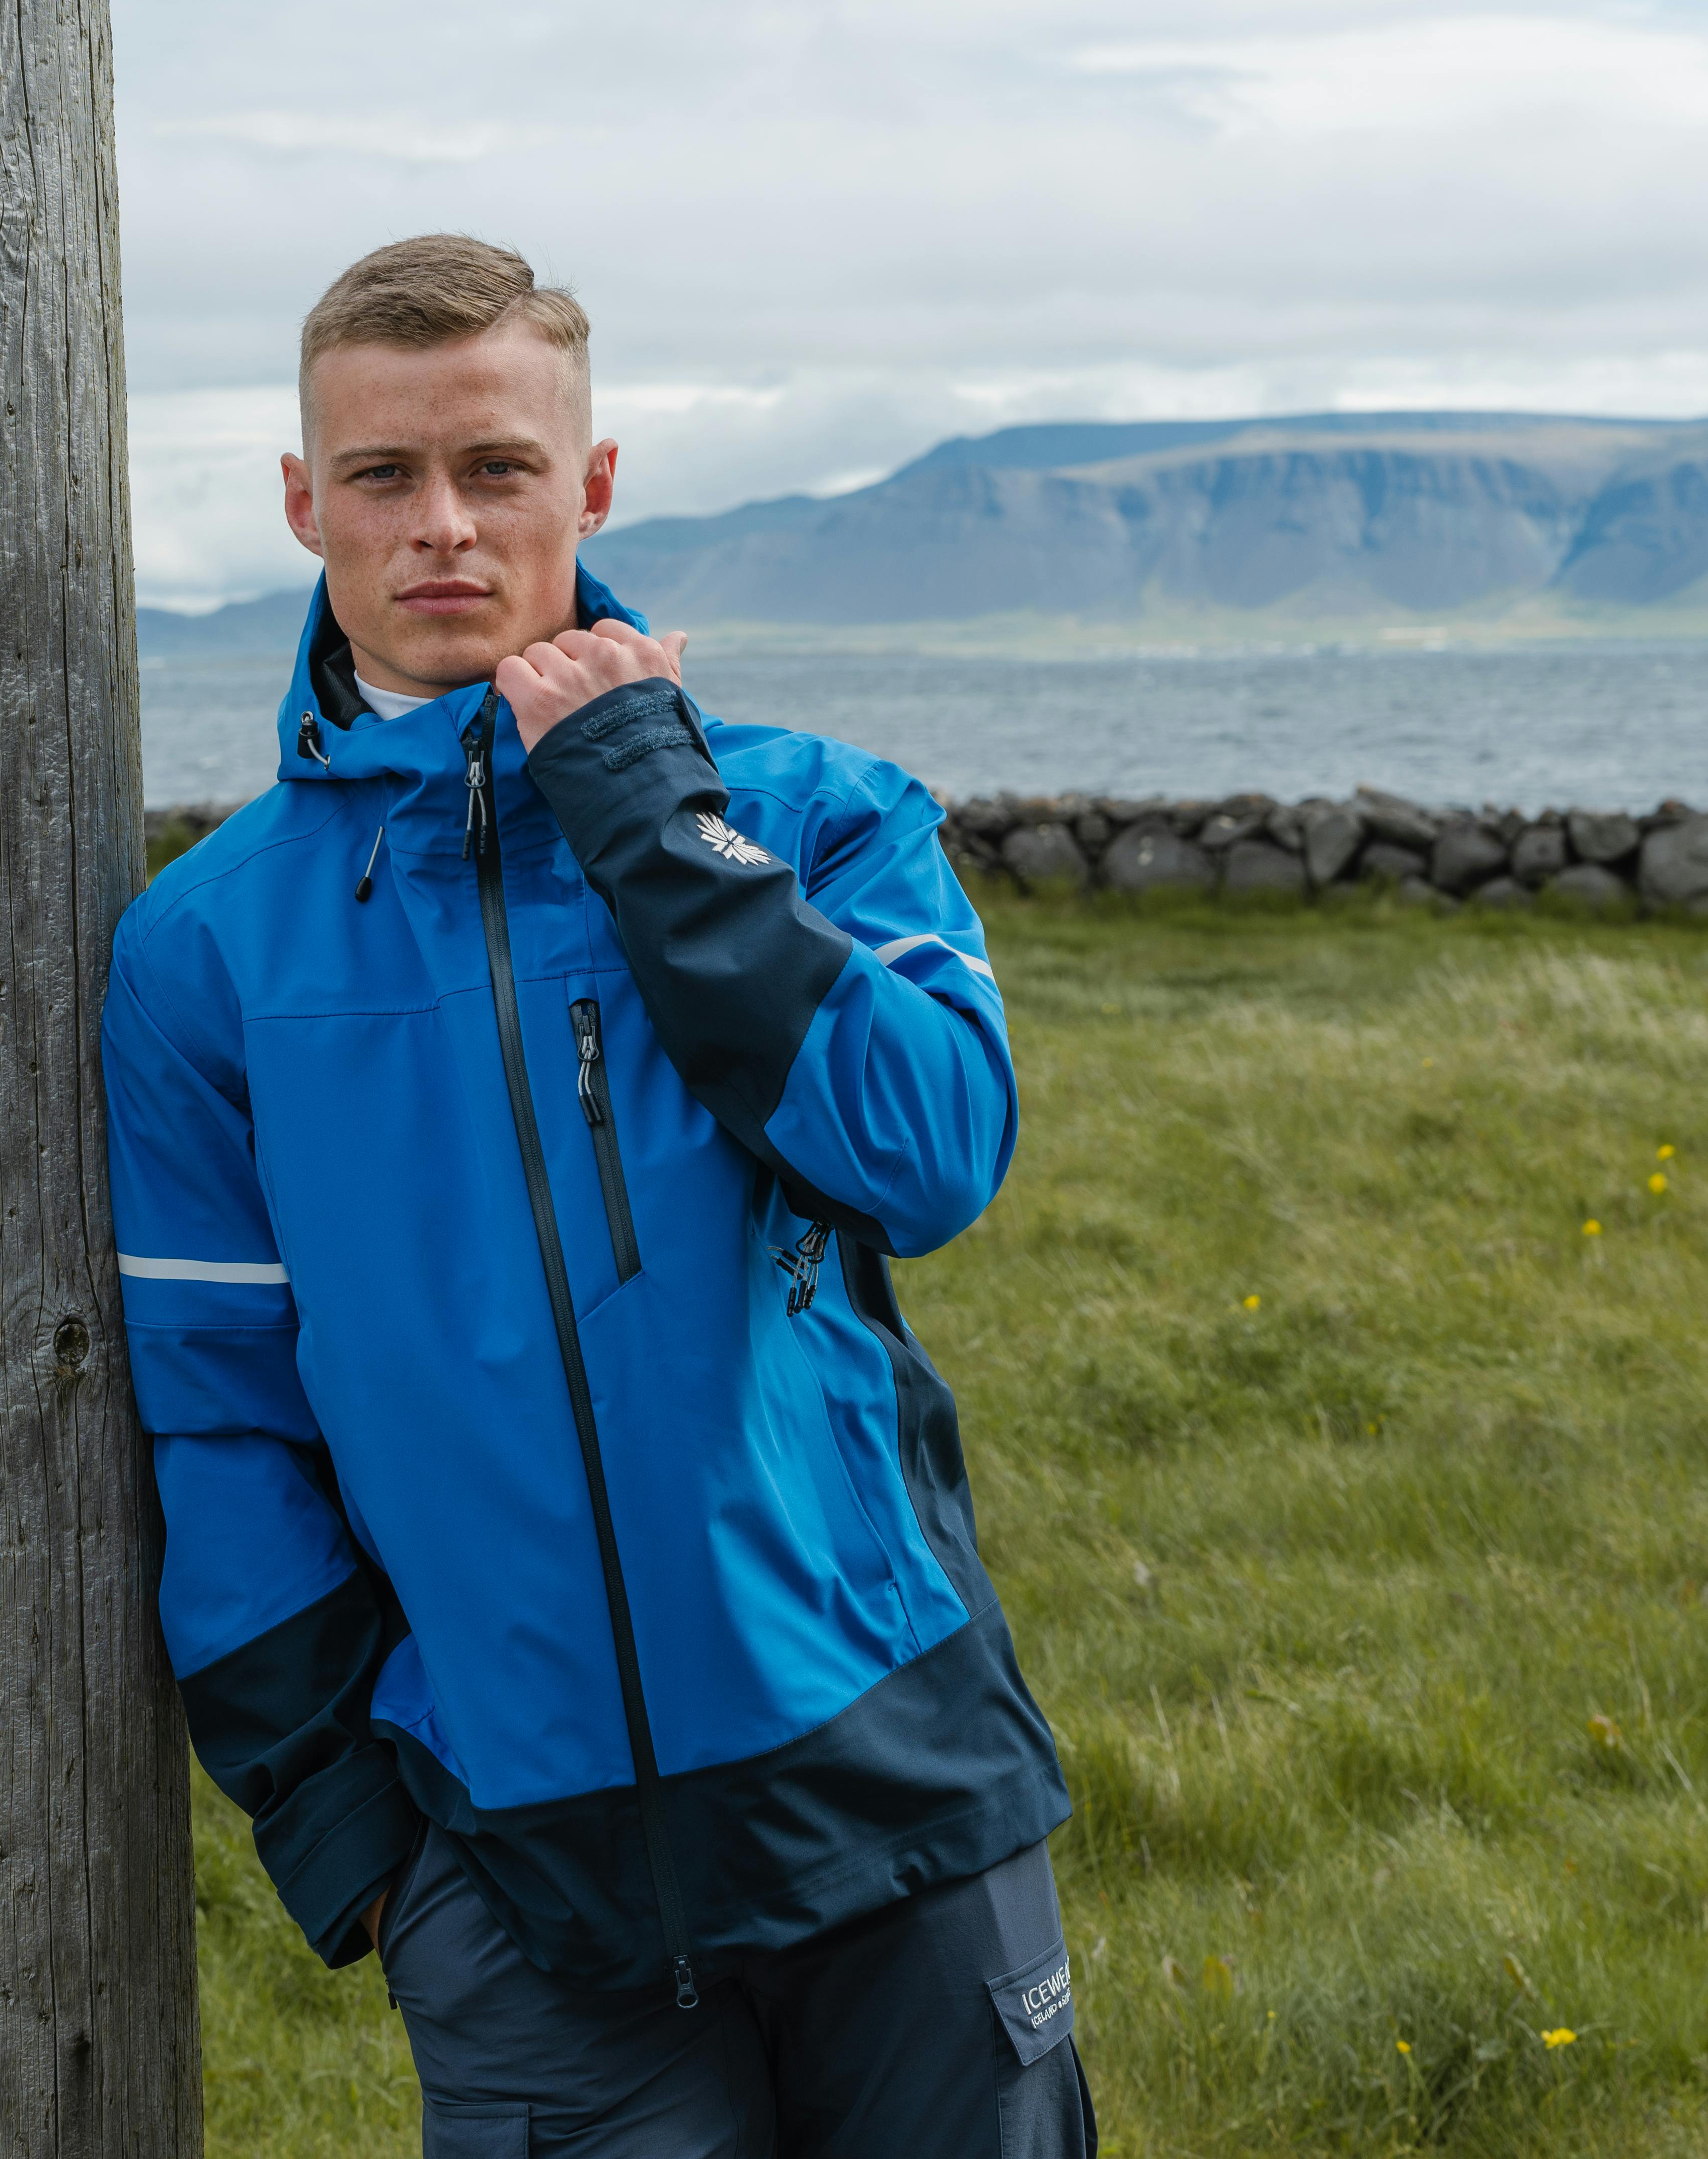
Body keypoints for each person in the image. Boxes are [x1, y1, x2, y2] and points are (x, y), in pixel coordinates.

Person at [101, 235, 1091, 2154]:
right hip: (508, 1869)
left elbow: (930, 1150)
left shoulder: (809, 815)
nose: (443, 527)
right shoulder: (203, 949)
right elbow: (216, 1415)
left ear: (596, 483)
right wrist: (365, 1851)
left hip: (888, 1785)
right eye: (382, 478)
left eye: (499, 470)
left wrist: (645, 814)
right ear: (305, 504)